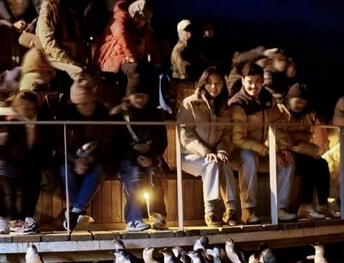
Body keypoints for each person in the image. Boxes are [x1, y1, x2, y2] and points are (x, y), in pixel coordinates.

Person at [228, 62, 297, 224]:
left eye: (257, 81)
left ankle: (280, 208)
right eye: (249, 81)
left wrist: (283, 148)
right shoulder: (238, 103)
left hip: (261, 150)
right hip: (237, 152)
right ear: (243, 80)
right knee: (249, 158)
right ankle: (248, 210)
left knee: (287, 160)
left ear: (262, 81)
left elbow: (278, 125)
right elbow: (238, 139)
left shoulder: (267, 98)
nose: (254, 86)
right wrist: (267, 151)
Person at [48, 72, 114, 231]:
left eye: (87, 103)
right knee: (65, 169)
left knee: (98, 169)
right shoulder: (66, 114)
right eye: (79, 104)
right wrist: (75, 160)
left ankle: (74, 212)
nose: (84, 107)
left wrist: (91, 158)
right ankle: (77, 210)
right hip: (71, 159)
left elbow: (108, 143)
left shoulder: (102, 114)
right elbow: (60, 144)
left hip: (96, 159)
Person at [176, 66, 240, 228]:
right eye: (209, 82)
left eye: (218, 83)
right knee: (211, 163)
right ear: (203, 84)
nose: (213, 86)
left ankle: (231, 210)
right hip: (189, 155)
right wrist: (205, 151)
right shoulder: (190, 103)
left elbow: (227, 134)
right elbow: (185, 135)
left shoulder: (225, 107)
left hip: (214, 153)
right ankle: (210, 211)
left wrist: (222, 150)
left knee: (223, 161)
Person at [110, 66, 169, 231]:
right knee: (135, 175)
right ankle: (133, 218)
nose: (140, 99)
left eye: (143, 96)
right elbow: (116, 143)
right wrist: (135, 157)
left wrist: (151, 156)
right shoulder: (119, 115)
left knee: (154, 174)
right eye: (137, 96)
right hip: (126, 158)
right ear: (129, 95)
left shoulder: (155, 115)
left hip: (150, 156)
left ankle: (159, 215)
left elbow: (161, 141)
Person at [0, 89, 48, 235]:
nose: (29, 111)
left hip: (19, 162)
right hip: (5, 162)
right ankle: (12, 222)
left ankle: (18, 220)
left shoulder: (31, 117)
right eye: (26, 107)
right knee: (9, 194)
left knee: (20, 192)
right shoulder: (7, 116)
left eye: (31, 108)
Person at [280, 82, 333, 220]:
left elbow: (309, 134)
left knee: (322, 163)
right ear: (289, 99)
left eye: (303, 102)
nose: (299, 105)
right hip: (283, 149)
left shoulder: (305, 116)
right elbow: (279, 133)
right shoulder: (281, 112)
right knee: (307, 164)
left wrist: (298, 135)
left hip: (300, 149)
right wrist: (294, 137)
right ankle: (305, 205)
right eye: (297, 101)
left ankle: (323, 204)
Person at [33, 0, 90, 81]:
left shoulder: (69, 12)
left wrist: (81, 57)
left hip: (70, 56)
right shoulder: (47, 12)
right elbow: (49, 44)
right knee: (78, 72)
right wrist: (69, 61)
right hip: (51, 57)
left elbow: (77, 39)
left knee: (90, 74)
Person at [96, 0, 154, 73]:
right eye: (139, 16)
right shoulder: (120, 18)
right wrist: (131, 56)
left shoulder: (140, 30)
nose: (140, 21)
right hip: (111, 57)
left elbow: (149, 45)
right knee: (134, 70)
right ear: (133, 12)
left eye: (144, 20)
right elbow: (122, 38)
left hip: (125, 57)